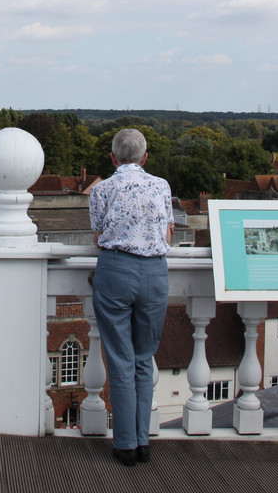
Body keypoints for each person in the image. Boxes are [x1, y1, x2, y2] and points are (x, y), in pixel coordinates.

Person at [90, 128, 174, 466]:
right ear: (145, 157)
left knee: (121, 359)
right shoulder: (161, 186)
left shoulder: (102, 189)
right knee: (143, 357)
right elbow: (168, 230)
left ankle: (125, 445)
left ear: (113, 157)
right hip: (155, 273)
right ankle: (143, 442)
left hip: (116, 272)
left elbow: (98, 236)